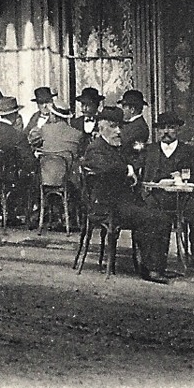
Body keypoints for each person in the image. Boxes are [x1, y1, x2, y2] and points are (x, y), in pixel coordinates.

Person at [81, 108, 172, 284]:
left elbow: (128, 163)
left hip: (121, 203)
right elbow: (107, 169)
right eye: (113, 127)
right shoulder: (96, 149)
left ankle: (154, 266)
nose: (118, 131)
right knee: (154, 218)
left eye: (120, 127)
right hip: (107, 206)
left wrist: (131, 171)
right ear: (101, 128)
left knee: (161, 215)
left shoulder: (114, 148)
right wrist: (128, 170)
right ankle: (151, 269)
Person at [141, 111, 194, 262]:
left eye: (170, 127)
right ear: (157, 131)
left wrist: (187, 177)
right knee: (154, 217)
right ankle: (157, 260)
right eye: (162, 128)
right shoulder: (149, 150)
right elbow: (141, 176)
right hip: (157, 197)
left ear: (178, 129)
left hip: (184, 197)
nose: (166, 132)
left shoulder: (189, 150)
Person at [119, 89, 151, 154]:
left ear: (132, 109)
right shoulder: (131, 124)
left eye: (124, 107)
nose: (122, 110)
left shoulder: (139, 129)